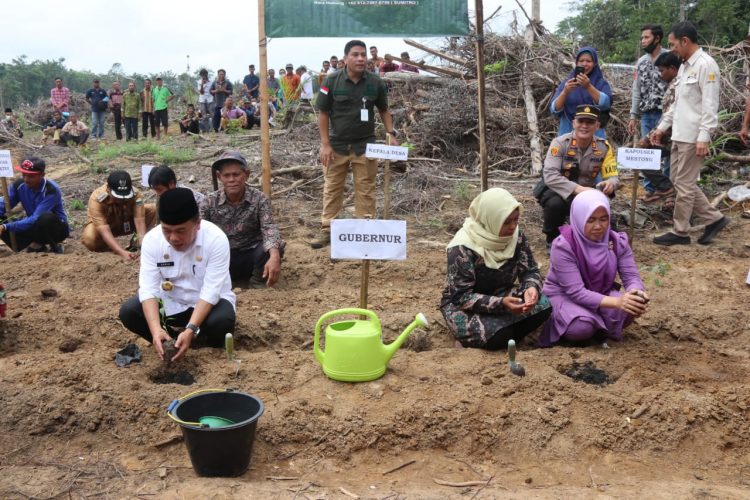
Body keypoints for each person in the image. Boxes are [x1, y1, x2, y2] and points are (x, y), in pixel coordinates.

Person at [119, 187, 236, 362]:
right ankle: (168, 339)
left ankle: (204, 343)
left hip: (209, 305)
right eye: (167, 230)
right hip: (173, 302)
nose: (173, 238)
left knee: (222, 321)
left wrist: (191, 329)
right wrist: (156, 329)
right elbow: (149, 290)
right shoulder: (152, 241)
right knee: (130, 311)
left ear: (197, 224)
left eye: (181, 231)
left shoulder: (215, 239)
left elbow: (211, 291)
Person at [440, 188, 551, 349]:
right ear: (490, 220)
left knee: (543, 305)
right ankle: (493, 335)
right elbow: (461, 297)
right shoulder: (462, 247)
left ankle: (502, 332)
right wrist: (501, 303)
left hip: (501, 294)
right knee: (499, 337)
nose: (513, 226)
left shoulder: (515, 236)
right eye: (506, 222)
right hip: (465, 306)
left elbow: (530, 271)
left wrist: (531, 288)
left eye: (516, 220)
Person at [650, 21, 729, 246]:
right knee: (679, 181)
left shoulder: (707, 65)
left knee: (684, 185)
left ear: (685, 41)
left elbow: (709, 105)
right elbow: (678, 105)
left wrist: (704, 136)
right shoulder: (685, 66)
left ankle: (680, 231)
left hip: (693, 137)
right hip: (679, 134)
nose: (671, 49)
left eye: (673, 44)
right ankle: (714, 219)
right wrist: (661, 127)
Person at [311, 39, 396, 248]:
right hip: (337, 146)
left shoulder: (375, 82)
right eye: (355, 54)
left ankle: (364, 232)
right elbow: (323, 113)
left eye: (363, 54)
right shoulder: (330, 81)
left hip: (365, 145)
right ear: (345, 58)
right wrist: (325, 144)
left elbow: (384, 110)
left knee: (366, 188)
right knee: (332, 188)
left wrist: (391, 134)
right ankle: (327, 229)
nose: (360, 58)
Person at [539, 190, 649, 347]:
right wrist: (617, 302)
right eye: (590, 220)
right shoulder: (563, 246)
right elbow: (576, 292)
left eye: (604, 219)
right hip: (566, 296)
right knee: (581, 327)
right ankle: (572, 324)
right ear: (578, 218)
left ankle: (597, 326)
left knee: (631, 307)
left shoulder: (616, 241)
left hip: (601, 292)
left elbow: (631, 276)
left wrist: (636, 292)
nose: (598, 226)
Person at [535, 105, 619, 250]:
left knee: (606, 216)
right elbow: (550, 175)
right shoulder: (560, 143)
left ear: (597, 125)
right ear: (574, 123)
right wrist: (579, 189)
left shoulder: (604, 147)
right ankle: (552, 239)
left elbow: (613, 176)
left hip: (586, 191)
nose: (584, 126)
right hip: (558, 190)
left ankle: (599, 241)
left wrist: (611, 183)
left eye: (590, 122)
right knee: (555, 205)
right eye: (581, 121)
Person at [200, 151, 285, 288]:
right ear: (219, 177)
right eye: (226, 175)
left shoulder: (259, 199)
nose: (231, 179)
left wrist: (275, 256)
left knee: (274, 247)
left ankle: (258, 282)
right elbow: (199, 231)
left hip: (251, 255)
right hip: (221, 258)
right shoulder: (208, 202)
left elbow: (269, 228)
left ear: (246, 175)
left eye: (236, 174)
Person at [629, 24, 670, 199]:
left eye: (646, 37)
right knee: (647, 152)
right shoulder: (641, 62)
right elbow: (636, 90)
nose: (643, 41)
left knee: (667, 151)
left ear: (657, 38)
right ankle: (650, 189)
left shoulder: (670, 58)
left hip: (666, 114)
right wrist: (633, 115)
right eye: (642, 38)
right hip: (646, 114)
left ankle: (668, 190)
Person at [81, 170, 156, 260]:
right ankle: (108, 247)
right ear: (108, 189)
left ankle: (136, 244)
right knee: (89, 238)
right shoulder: (97, 198)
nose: (123, 200)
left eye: (126, 196)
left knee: (153, 209)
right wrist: (120, 252)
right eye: (118, 196)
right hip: (108, 226)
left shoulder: (136, 194)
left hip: (127, 221)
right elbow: (104, 229)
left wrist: (143, 248)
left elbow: (139, 221)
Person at [0, 157, 69, 253]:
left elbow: (35, 218)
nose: (26, 179)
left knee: (45, 218)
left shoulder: (51, 190)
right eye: (24, 175)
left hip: (56, 229)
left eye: (31, 176)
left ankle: (55, 247)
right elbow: (4, 204)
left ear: (42, 175)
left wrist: (5, 227)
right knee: (2, 220)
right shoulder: (19, 185)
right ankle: (35, 246)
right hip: (35, 227)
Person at [638, 52, 681, 203]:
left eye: (662, 71)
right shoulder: (672, 85)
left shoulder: (678, 86)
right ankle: (666, 189)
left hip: (675, 138)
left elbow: (671, 117)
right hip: (669, 137)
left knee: (643, 157)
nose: (660, 75)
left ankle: (666, 188)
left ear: (672, 68)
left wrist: (650, 137)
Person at [550, 47, 612, 138]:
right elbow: (554, 109)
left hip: (594, 134)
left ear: (595, 63)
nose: (584, 64)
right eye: (581, 61)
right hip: (568, 131)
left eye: (588, 61)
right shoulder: (568, 82)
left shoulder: (600, 83)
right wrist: (565, 92)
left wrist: (588, 86)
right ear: (576, 63)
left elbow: (606, 104)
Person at [196, 69, 213, 133]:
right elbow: (201, 92)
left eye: (205, 75)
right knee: (204, 116)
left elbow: (212, 91)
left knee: (212, 115)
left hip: (210, 100)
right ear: (200, 76)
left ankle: (213, 129)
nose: (204, 76)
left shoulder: (211, 82)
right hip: (202, 100)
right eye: (202, 75)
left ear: (207, 74)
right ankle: (206, 130)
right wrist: (202, 84)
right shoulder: (199, 82)